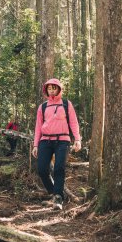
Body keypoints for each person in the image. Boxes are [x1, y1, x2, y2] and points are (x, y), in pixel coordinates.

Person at [32, 78, 81, 210]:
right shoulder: (42, 107)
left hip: (63, 141)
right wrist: (36, 145)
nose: (52, 90)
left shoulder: (66, 104)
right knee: (42, 169)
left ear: (59, 89)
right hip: (45, 140)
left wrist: (77, 139)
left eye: (54, 88)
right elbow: (38, 127)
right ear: (46, 90)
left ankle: (58, 197)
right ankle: (53, 192)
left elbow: (74, 122)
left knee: (59, 168)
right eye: (49, 88)